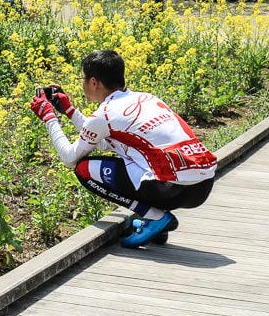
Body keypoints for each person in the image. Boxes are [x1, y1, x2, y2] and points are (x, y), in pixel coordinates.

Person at [30, 49, 216, 247]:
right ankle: (155, 224)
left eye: (82, 78)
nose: (82, 83)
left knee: (83, 169)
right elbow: (104, 142)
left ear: (94, 82)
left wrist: (49, 117)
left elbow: (69, 157)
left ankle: (155, 217)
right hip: (203, 185)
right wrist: (69, 111)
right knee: (139, 163)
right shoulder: (148, 98)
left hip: (171, 189)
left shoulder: (105, 114)